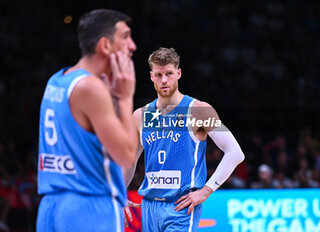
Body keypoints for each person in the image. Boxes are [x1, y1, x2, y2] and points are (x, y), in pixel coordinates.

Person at [36, 9, 138, 232]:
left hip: (51, 205)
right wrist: (125, 97)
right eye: (125, 36)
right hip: (90, 205)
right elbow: (126, 155)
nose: (132, 45)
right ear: (105, 45)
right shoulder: (91, 87)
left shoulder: (58, 79)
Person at [124, 47, 245, 232]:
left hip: (181, 206)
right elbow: (129, 162)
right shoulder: (141, 115)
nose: (164, 80)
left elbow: (235, 153)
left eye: (169, 73)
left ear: (178, 73)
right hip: (149, 206)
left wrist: (206, 190)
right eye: (158, 74)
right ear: (151, 76)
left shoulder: (199, 110)